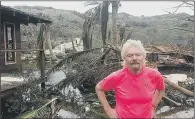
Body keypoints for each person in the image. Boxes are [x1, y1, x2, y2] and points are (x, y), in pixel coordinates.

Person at [95, 39, 165, 119]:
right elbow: (99, 88)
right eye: (130, 55)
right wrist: (108, 110)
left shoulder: (154, 75)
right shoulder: (117, 76)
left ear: (143, 57)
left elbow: (161, 89)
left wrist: (153, 107)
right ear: (124, 58)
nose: (134, 58)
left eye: (138, 55)